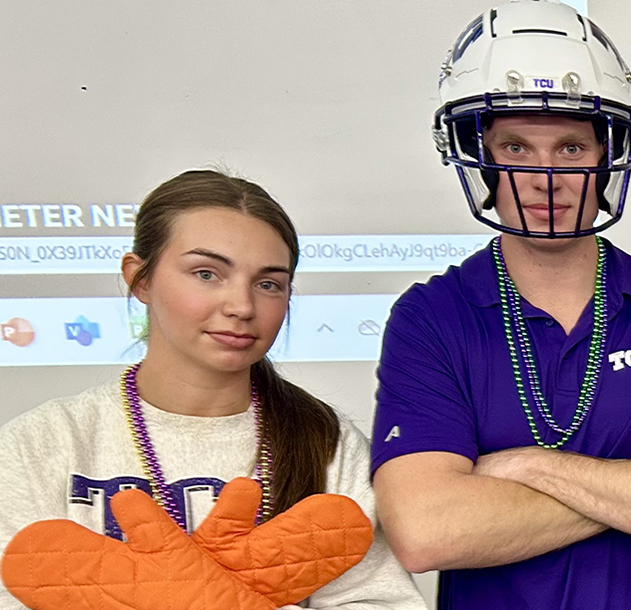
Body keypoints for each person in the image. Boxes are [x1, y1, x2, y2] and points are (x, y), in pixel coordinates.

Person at [368, 2, 631, 609]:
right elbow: (427, 531)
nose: (545, 176)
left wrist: (524, 466)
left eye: (572, 148)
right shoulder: (430, 317)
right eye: (515, 147)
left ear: (607, 157)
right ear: (478, 155)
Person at [0, 169, 424, 609]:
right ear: (140, 279)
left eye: (268, 284)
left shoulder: (327, 442)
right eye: (206, 274)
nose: (241, 306)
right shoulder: (41, 443)